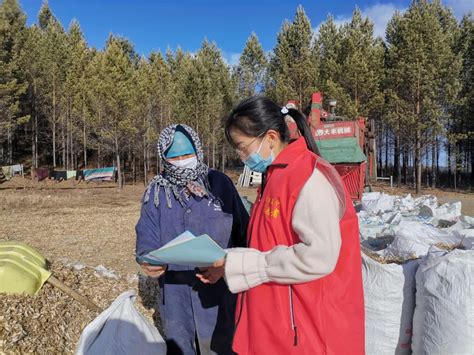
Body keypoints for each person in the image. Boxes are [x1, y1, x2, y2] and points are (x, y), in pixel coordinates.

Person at [197, 97, 365, 354]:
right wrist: (229, 264)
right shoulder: (276, 176)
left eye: (243, 147)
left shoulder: (309, 178)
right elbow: (269, 244)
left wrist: (244, 265)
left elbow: (317, 256)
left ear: (271, 137)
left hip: (306, 330)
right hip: (279, 323)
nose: (242, 156)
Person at [136, 124, 249, 355]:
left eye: (187, 155)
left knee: (222, 345)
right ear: (164, 158)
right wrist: (148, 259)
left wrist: (229, 264)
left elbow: (243, 231)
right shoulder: (156, 192)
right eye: (174, 157)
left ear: (198, 151)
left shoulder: (219, 184)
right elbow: (146, 233)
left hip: (219, 287)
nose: (182, 161)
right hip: (175, 290)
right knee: (180, 346)